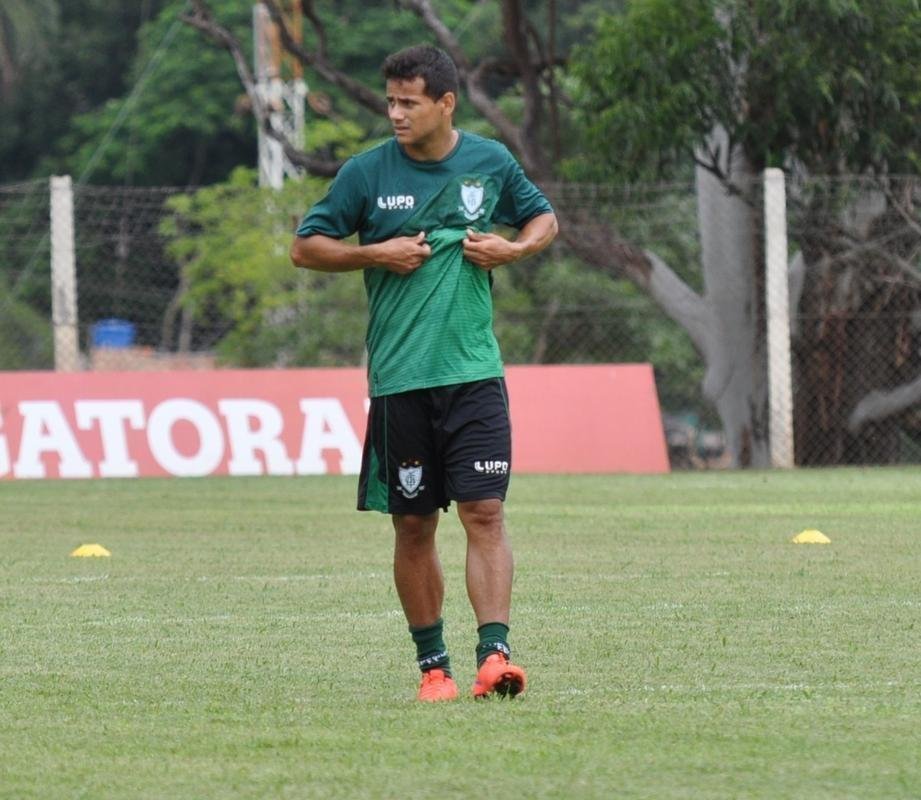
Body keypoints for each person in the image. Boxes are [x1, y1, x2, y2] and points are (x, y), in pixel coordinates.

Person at [290, 44, 558, 702]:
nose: (395, 113)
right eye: (389, 101)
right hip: (400, 382)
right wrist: (373, 253)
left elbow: (543, 217)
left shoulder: (489, 162)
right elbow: (305, 246)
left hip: (473, 375)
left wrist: (514, 248)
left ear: (445, 103)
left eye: (409, 102)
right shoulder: (365, 174)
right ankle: (431, 667)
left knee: (485, 513)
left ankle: (494, 657)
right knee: (413, 525)